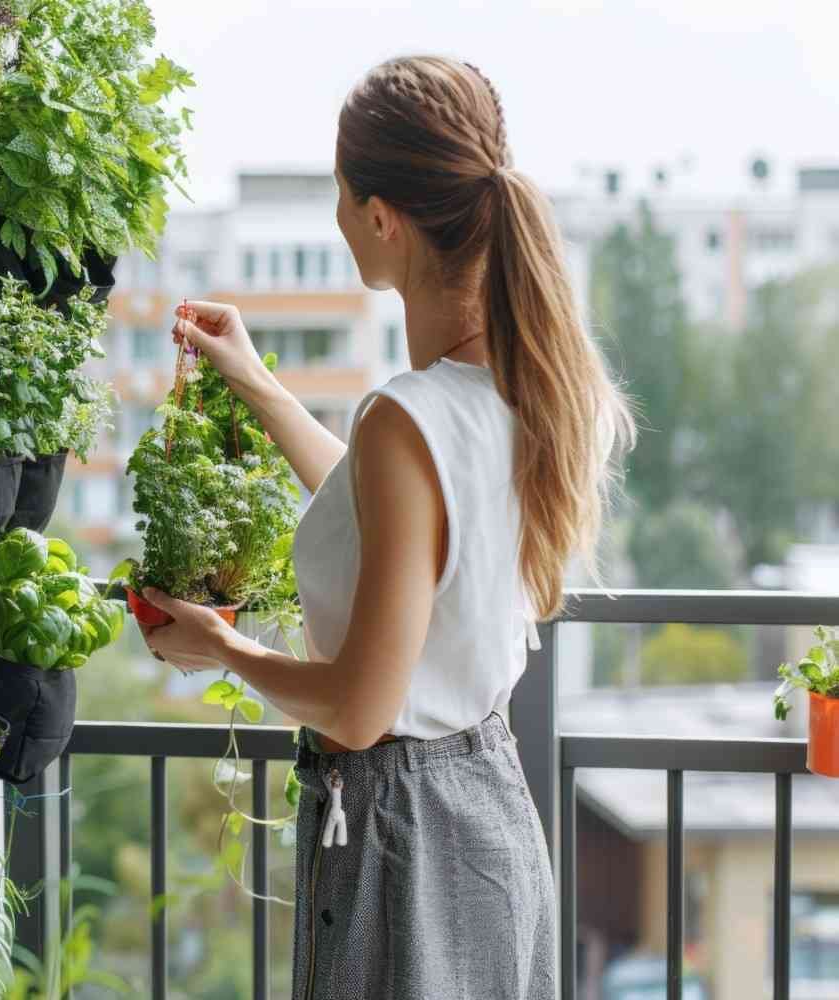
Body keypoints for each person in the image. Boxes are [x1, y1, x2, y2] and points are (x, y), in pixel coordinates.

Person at [138, 55, 633, 1000]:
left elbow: (360, 711)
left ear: (380, 217)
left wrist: (222, 647)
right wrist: (260, 383)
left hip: (400, 839)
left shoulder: (411, 416)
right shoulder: (521, 387)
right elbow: (400, 531)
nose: (334, 213)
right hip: (483, 813)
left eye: (338, 191)